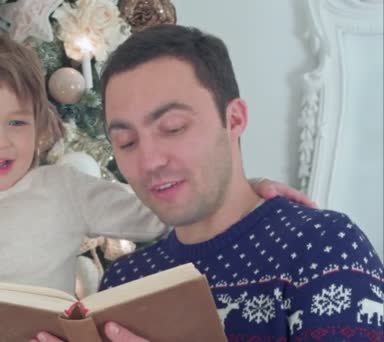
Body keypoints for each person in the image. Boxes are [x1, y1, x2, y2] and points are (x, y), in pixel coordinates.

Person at [0, 32, 311, 342]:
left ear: (39, 128)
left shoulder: (63, 189)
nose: (0, 141)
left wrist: (243, 188)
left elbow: (162, 211)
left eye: (17, 122)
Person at [34, 24, 384, 342]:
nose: (149, 161)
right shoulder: (125, 282)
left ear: (234, 119)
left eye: (173, 128)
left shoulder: (323, 247)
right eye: (126, 142)